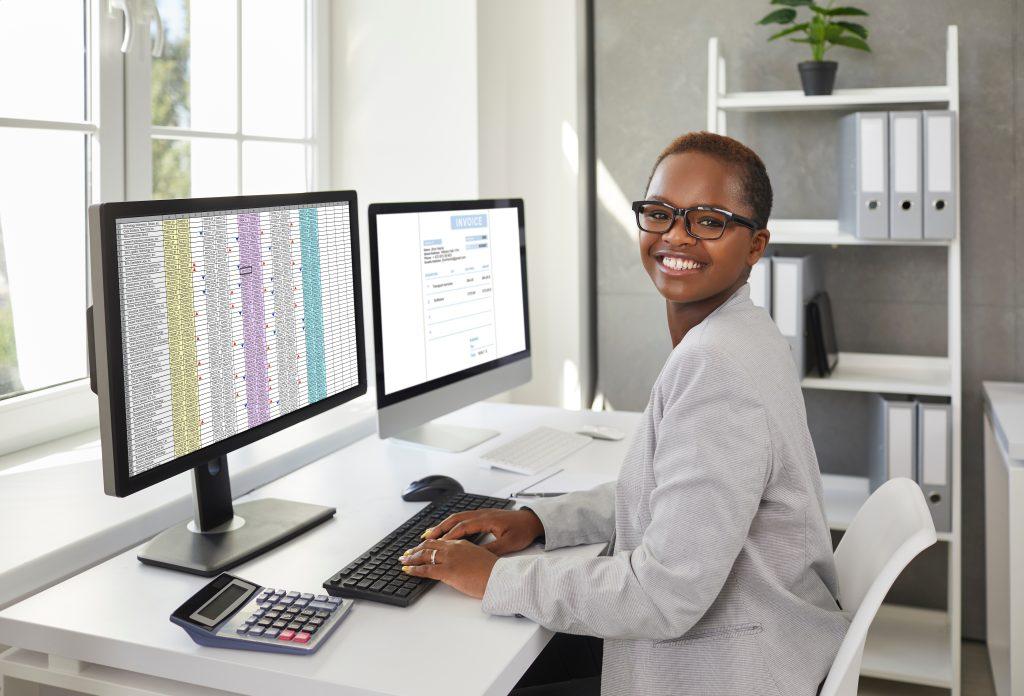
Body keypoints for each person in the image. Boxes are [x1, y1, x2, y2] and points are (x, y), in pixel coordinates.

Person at [398, 131, 849, 695]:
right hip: (757, 639)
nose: (676, 236)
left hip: (728, 670)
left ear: (755, 245)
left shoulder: (716, 366)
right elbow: (677, 498)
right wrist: (542, 522)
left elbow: (663, 597)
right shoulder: (747, 334)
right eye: (660, 214)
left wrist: (495, 576)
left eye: (708, 220)